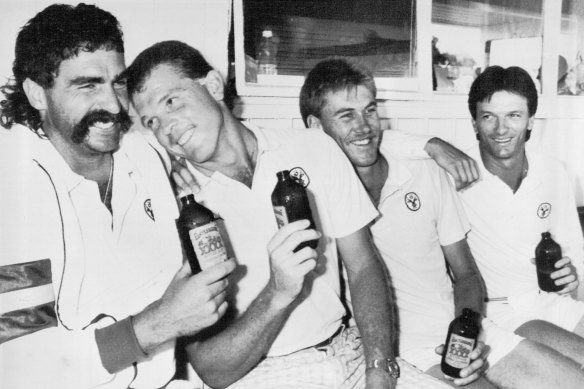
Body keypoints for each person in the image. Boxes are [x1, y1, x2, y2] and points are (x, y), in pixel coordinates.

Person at [123, 40, 469, 389]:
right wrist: (278, 291)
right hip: (266, 374)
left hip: (348, 350)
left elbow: (363, 265)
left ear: (213, 86)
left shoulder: (313, 147)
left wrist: (379, 366)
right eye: (152, 121)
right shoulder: (179, 211)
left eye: (172, 101)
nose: (166, 127)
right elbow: (213, 370)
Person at [299, 58, 584, 389]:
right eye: (346, 115)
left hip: (466, 325)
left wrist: (467, 329)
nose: (364, 126)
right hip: (406, 346)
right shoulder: (309, 194)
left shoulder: (427, 173)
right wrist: (430, 143)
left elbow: (466, 274)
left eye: (370, 110)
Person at [0, 4, 235, 389]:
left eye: (118, 83)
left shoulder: (146, 156)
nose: (113, 105)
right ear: (37, 94)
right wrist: (157, 325)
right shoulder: (14, 192)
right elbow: (23, 361)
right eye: (87, 85)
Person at [456, 65, 584, 384]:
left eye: (513, 115)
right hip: (501, 310)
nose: (501, 129)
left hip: (554, 300)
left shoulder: (553, 170)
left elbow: (575, 250)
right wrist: (431, 144)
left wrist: (574, 279)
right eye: (488, 116)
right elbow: (383, 145)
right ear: (474, 122)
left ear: (530, 122)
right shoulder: (455, 175)